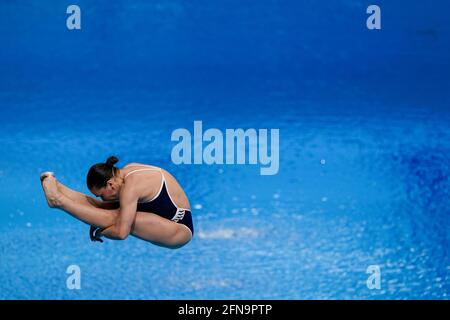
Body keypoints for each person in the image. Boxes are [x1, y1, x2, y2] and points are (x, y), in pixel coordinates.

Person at [40, 156, 194, 249]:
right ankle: (56, 185)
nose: (102, 199)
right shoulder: (126, 171)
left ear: (110, 184)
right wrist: (95, 217)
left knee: (114, 218)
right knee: (101, 209)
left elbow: (121, 233)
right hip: (160, 217)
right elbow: (99, 208)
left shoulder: (131, 187)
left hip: (178, 229)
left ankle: (58, 201)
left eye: (101, 195)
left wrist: (101, 230)